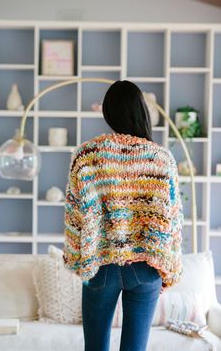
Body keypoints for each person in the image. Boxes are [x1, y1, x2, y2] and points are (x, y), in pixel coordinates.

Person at [63, 80, 184, 351]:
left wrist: (76, 260)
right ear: (142, 111)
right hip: (146, 269)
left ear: (108, 113)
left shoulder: (86, 156)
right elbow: (172, 222)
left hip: (102, 267)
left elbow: (76, 214)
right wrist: (168, 269)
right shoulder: (162, 159)